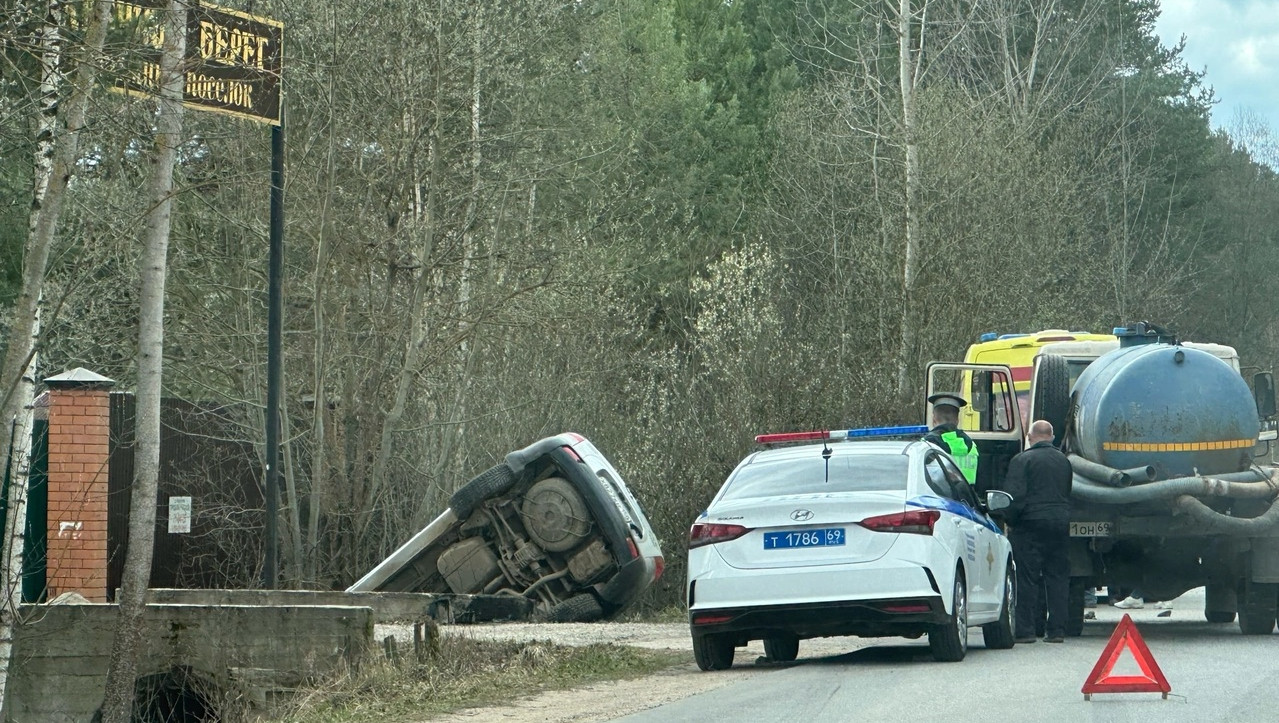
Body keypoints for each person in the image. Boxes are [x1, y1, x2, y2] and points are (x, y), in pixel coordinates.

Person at [1003, 419, 1073, 644]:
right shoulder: (1064, 462)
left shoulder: (1022, 460)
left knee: (1027, 577)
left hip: (1029, 525)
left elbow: (1014, 497)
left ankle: (1026, 631)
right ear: (1051, 437)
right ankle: (1057, 631)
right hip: (1060, 524)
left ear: (1030, 437)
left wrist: (1010, 521)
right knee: (1057, 577)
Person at [923, 393, 979, 486]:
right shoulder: (972, 446)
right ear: (957, 420)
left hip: (937, 498)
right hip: (968, 497)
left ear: (933, 419)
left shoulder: (926, 445)